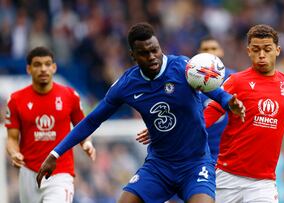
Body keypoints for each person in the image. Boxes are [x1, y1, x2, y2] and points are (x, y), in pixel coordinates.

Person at [36, 22, 245, 203]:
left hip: (195, 164)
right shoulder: (127, 85)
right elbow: (92, 121)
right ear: (133, 56)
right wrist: (56, 153)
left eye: (155, 50)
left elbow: (218, 93)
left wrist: (230, 103)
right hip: (159, 166)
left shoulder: (183, 67)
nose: (152, 57)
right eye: (144, 53)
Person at [203, 24, 284, 203]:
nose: (262, 55)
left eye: (267, 49)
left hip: (263, 183)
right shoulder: (235, 82)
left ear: (278, 50)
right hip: (227, 176)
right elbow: (209, 115)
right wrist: (179, 134)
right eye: (256, 50)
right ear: (248, 51)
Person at [5, 46, 96, 203]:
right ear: (28, 69)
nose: (43, 69)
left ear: (54, 67)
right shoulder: (15, 100)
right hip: (28, 173)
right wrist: (14, 153)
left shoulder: (70, 96)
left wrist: (87, 143)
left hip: (60, 173)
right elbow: (12, 138)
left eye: (47, 64)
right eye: (37, 64)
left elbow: (83, 128)